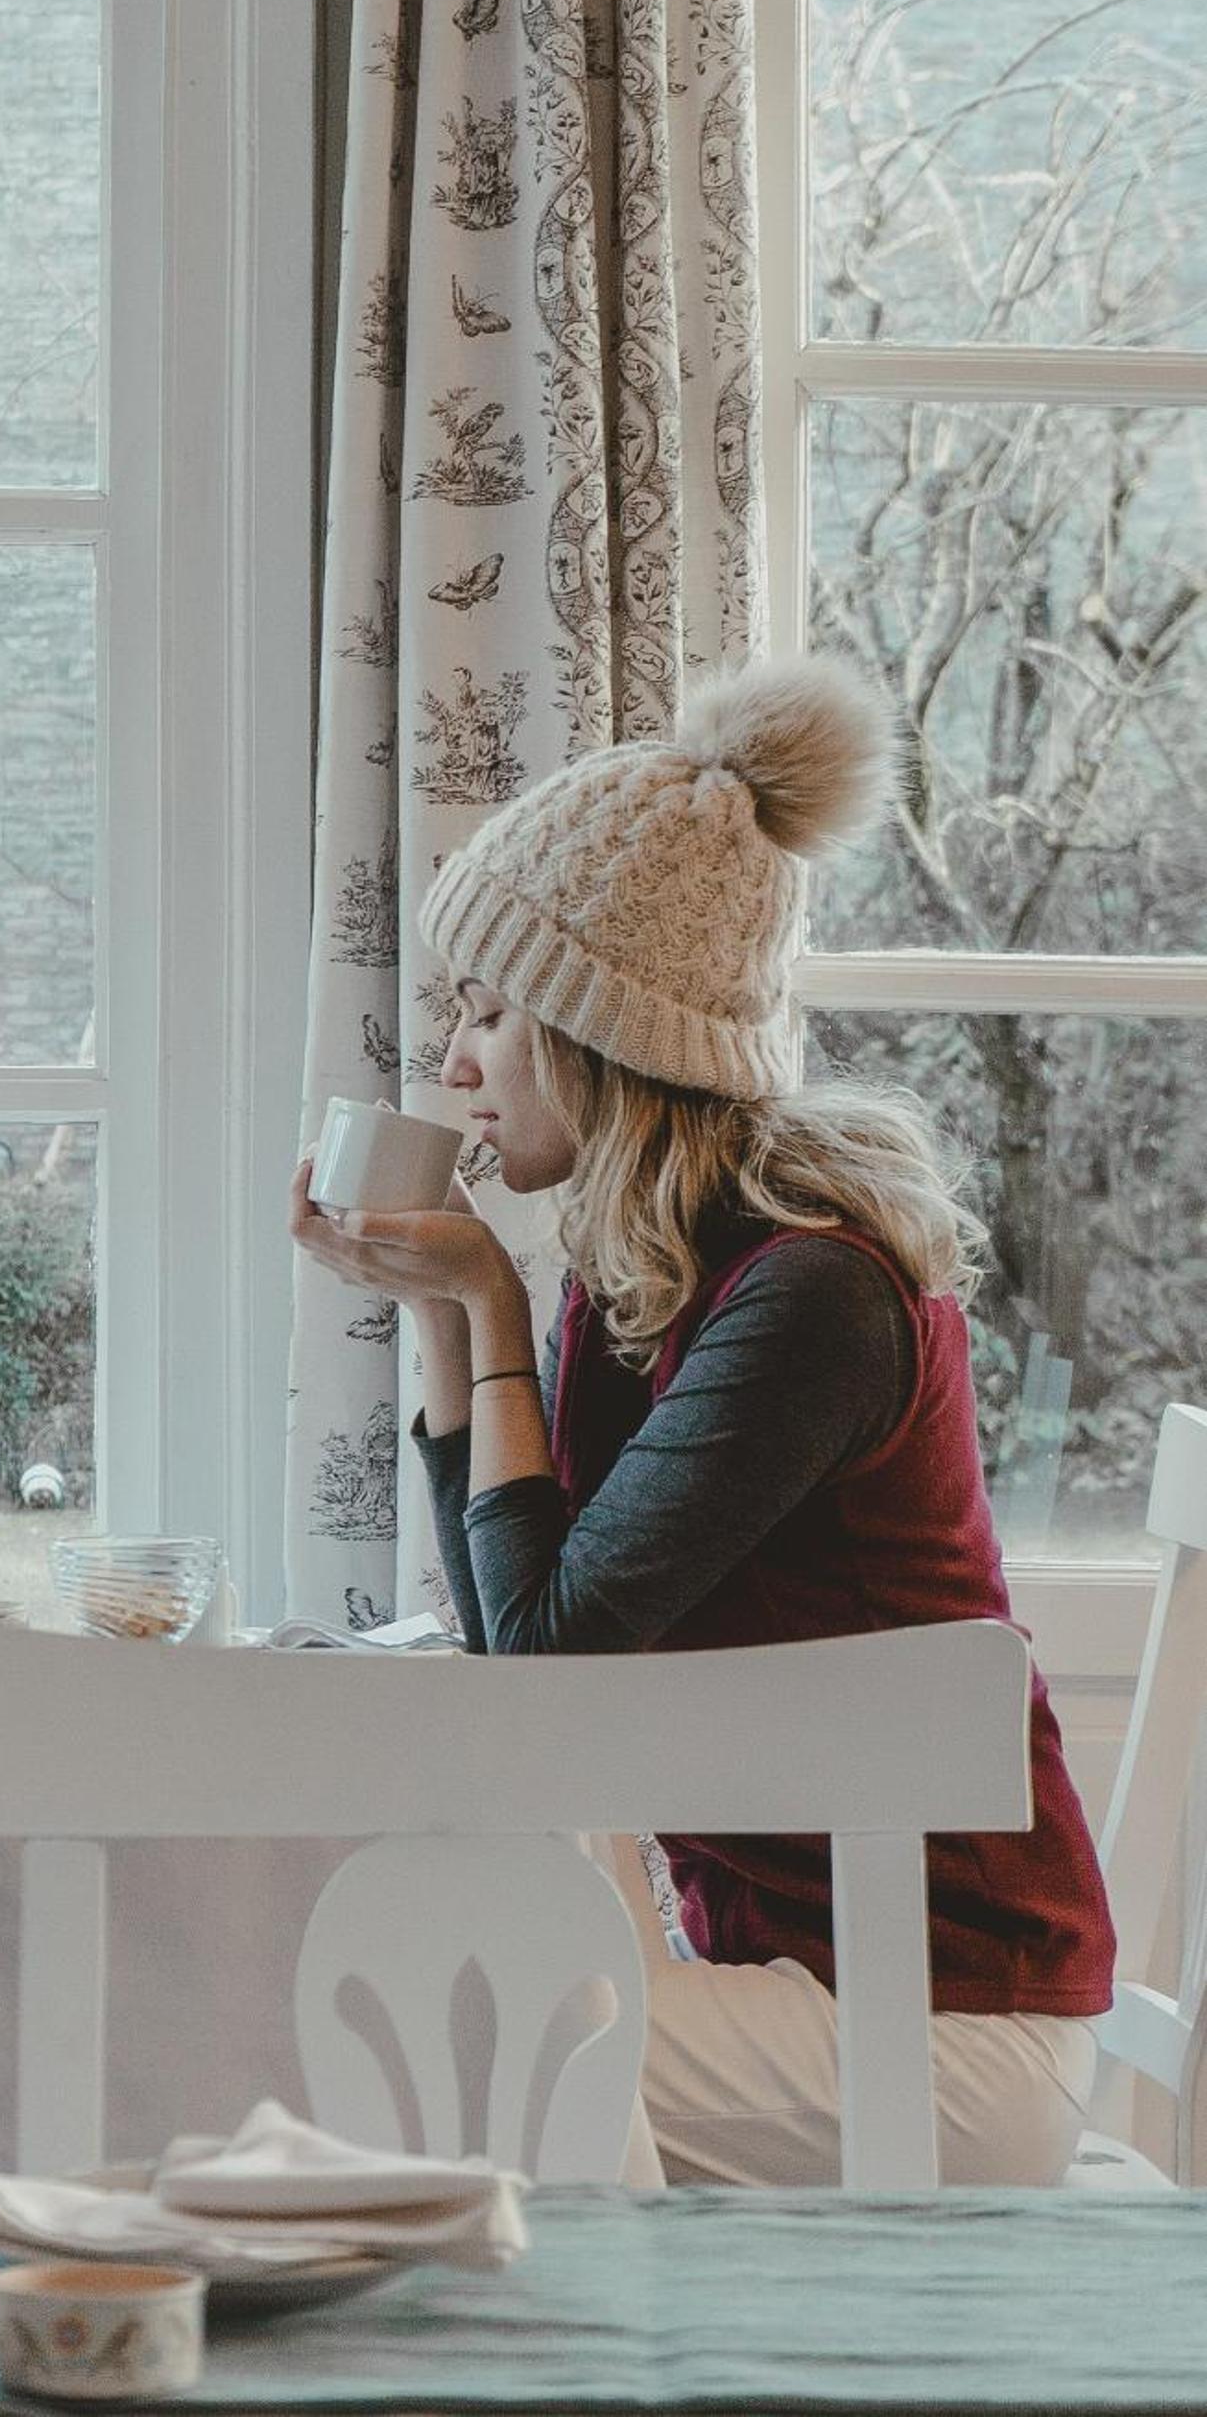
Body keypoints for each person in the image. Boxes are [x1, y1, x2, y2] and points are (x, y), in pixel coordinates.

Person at [291, 653, 1114, 2187]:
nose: (454, 1063)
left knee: (455, 2037)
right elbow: (516, 1647)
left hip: (945, 2013)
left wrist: (482, 1299)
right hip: (814, 1974)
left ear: (596, 1032)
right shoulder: (648, 1271)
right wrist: (445, 1312)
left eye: (489, 1012)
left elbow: (552, 1673)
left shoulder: (809, 1295)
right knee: (444, 2007)